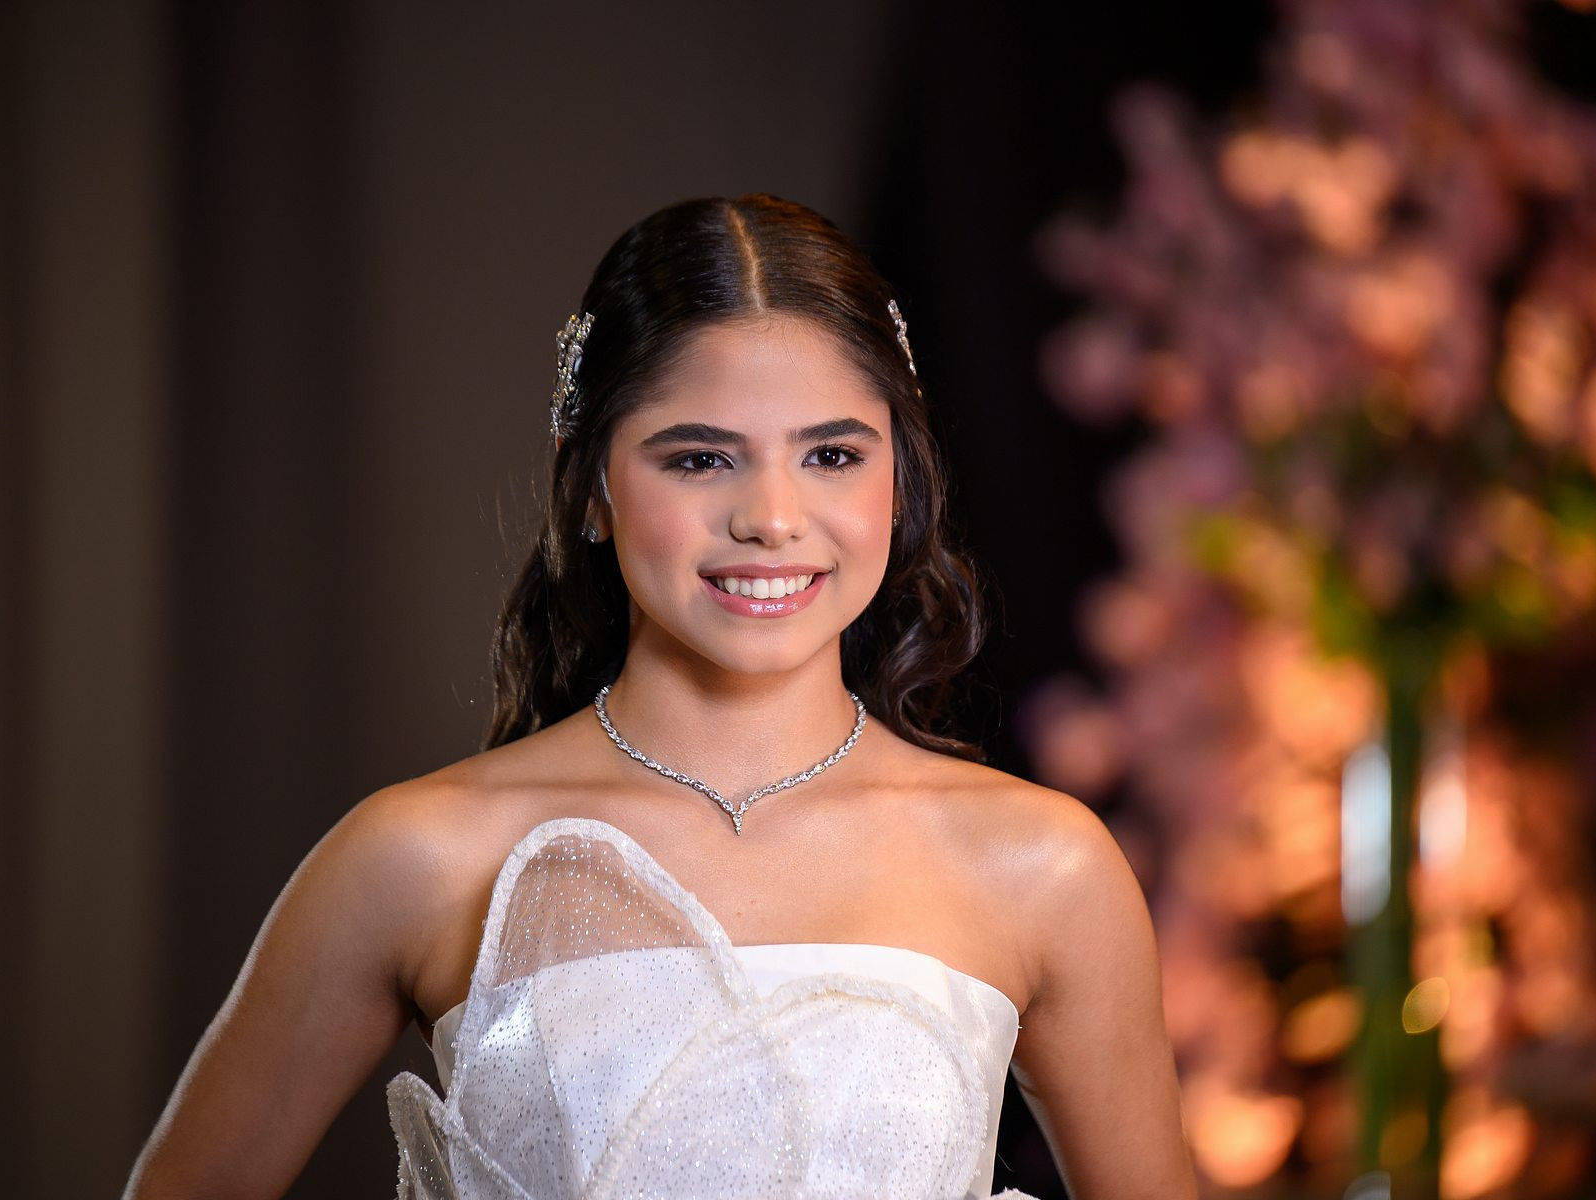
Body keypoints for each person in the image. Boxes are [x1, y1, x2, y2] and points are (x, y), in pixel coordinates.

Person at [126, 194, 1194, 1199]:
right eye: (699, 461)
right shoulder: (424, 856)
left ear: (899, 478)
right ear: (592, 484)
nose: (772, 518)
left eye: (831, 454)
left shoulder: (1041, 866)